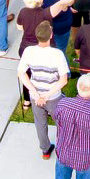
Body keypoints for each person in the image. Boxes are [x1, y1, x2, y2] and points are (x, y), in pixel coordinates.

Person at [18, 21, 71, 160]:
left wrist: (35, 94)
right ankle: (63, 149)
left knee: (40, 124)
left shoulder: (29, 51)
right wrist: (47, 95)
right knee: (62, 123)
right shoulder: (57, 54)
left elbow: (21, 73)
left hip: (36, 97)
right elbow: (63, 80)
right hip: (53, 97)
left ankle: (45, 151)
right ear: (51, 36)